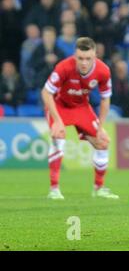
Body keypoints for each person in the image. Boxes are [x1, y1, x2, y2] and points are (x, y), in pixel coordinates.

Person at [41, 37, 119, 200]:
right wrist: (58, 121)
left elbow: (105, 99)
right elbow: (46, 93)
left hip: (82, 107)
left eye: (88, 59)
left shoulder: (103, 71)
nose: (84, 63)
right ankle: (54, 189)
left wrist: (100, 127)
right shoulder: (63, 67)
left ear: (95, 56)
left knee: (103, 141)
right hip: (59, 105)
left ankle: (99, 188)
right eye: (80, 58)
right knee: (58, 136)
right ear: (75, 56)